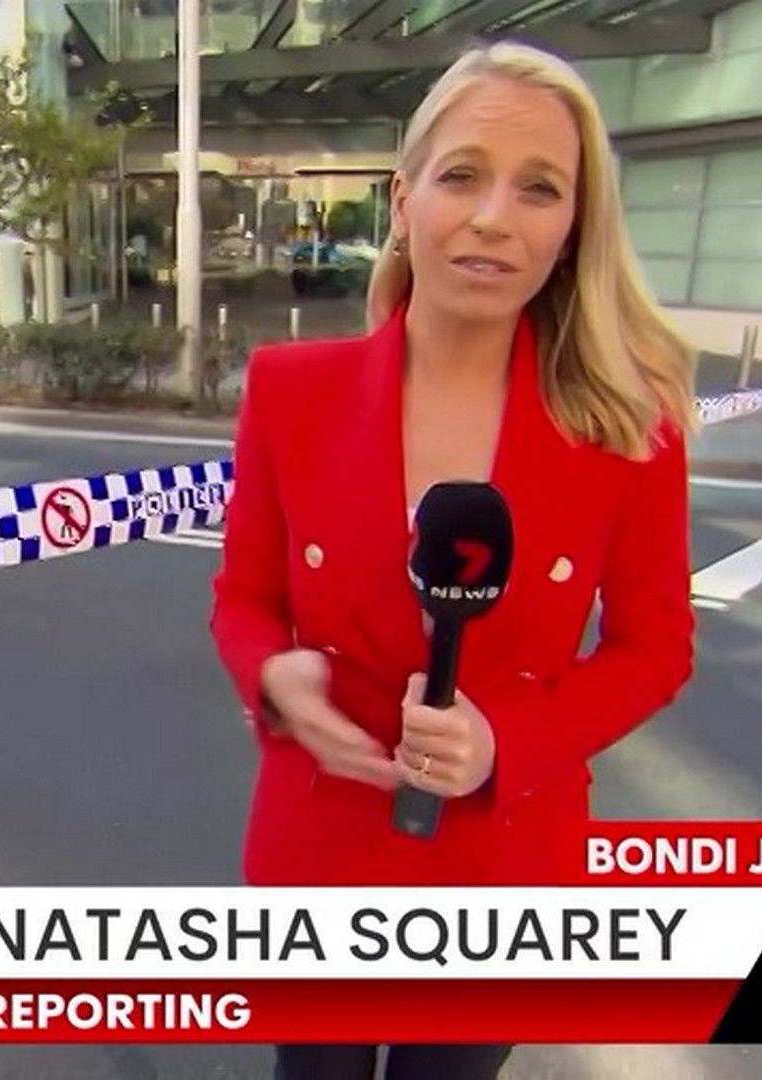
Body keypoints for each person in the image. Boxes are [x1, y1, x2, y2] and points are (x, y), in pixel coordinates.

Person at [208, 41, 698, 1080]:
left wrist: (506, 739)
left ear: (574, 227)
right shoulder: (289, 392)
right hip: (319, 852)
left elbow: (656, 647)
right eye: (463, 175)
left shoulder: (630, 428)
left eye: (539, 189)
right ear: (404, 199)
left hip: (505, 868)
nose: (493, 218)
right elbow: (244, 597)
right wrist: (273, 677)